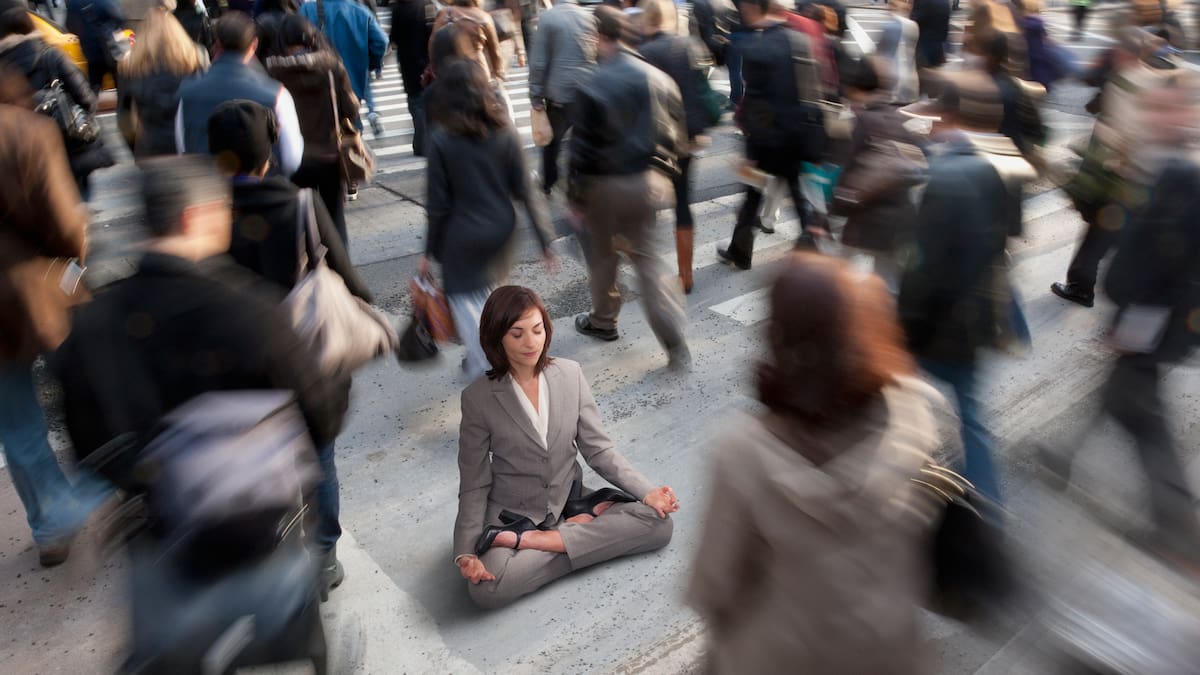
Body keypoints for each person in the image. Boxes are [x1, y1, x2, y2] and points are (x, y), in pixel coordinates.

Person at [689, 252, 942, 673]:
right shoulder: (916, 414)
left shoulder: (743, 454)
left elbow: (713, 586)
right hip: (888, 652)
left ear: (774, 337)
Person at [206, 99, 368, 595]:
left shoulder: (204, 217)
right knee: (321, 460)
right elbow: (351, 283)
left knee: (255, 471)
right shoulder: (299, 205)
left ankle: (272, 557)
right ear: (269, 148)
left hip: (238, 369)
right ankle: (323, 558)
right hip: (304, 360)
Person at [454, 285, 679, 609]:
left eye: (537, 329)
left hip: (566, 503)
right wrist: (465, 552)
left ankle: (546, 542)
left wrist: (647, 492)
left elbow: (599, 450)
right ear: (496, 337)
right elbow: (474, 483)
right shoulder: (477, 399)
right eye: (517, 334)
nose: (531, 342)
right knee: (486, 590)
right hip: (511, 516)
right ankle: (575, 542)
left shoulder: (570, 374)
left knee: (659, 525)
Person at [1041, 157, 1200, 569]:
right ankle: (1063, 453)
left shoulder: (1174, 193)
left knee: (1146, 420)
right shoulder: (1186, 191)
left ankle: (1178, 527)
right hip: (1161, 328)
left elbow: (1134, 273)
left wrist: (1131, 324)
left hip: (1146, 327)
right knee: (1117, 395)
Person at [0, 69, 110, 567]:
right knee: (89, 385)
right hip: (40, 287)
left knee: (16, 419)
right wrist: (75, 258)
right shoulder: (24, 130)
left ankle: (49, 526)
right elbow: (65, 223)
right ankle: (107, 480)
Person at [897, 79, 1025, 504]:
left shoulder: (945, 177)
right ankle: (987, 501)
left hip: (939, 326)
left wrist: (905, 328)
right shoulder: (988, 166)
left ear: (946, 118)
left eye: (934, 116)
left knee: (902, 403)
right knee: (970, 414)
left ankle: (911, 489)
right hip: (975, 317)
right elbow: (1000, 242)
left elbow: (924, 270)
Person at [569, 7, 690, 370]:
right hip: (651, 181)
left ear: (599, 37)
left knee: (603, 255)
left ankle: (604, 321)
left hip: (606, 184)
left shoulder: (592, 82)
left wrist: (575, 197)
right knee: (648, 259)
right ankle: (672, 335)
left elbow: (582, 150)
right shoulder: (660, 78)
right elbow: (677, 136)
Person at [419, 60, 554, 381]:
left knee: (470, 311)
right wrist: (545, 240)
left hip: (461, 239)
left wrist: (428, 252)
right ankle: (494, 358)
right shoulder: (505, 131)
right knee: (493, 302)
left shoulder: (441, 139)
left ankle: (494, 371)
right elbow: (526, 189)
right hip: (502, 234)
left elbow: (437, 206)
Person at [716, 0, 826, 272]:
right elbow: (810, 90)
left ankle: (740, 253)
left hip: (766, 143)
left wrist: (750, 152)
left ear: (753, 9)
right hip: (796, 134)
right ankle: (812, 247)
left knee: (752, 195)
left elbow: (755, 103)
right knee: (796, 192)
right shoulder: (799, 40)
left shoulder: (756, 47)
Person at [0, 4, 114, 199]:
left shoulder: (4, 72)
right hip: (72, 152)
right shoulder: (52, 56)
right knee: (77, 208)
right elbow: (87, 100)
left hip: (28, 166)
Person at [831, 57, 925, 291]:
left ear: (853, 87)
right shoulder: (899, 117)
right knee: (889, 285)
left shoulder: (862, 121)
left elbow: (847, 170)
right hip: (902, 218)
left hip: (867, 218)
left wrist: (830, 210)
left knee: (840, 279)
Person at [266, 14, 360, 243]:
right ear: (312, 37)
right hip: (329, 154)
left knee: (300, 222)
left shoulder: (273, 72)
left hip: (294, 158)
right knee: (335, 218)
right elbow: (350, 108)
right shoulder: (331, 67)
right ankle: (340, 270)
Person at [175, 12, 304, 177]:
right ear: (253, 45)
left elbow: (182, 148)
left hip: (206, 193)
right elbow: (292, 159)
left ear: (217, 44)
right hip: (261, 192)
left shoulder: (187, 93)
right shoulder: (277, 94)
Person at [638, 0, 709, 294]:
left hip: (656, 140)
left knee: (648, 202)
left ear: (648, 19)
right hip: (688, 138)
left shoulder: (645, 53)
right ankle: (686, 275)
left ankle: (650, 269)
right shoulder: (689, 46)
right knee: (683, 202)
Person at [117, 8, 208, 161]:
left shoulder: (130, 66)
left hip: (151, 148)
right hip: (189, 145)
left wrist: (135, 147)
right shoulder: (194, 59)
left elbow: (123, 117)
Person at [527, 0, 596, 196]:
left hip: (559, 95)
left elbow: (538, 62)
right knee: (583, 139)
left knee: (552, 142)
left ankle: (549, 182)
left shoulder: (548, 18)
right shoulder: (588, 16)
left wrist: (536, 95)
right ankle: (580, 180)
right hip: (586, 90)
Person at [298, 0, 388, 136]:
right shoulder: (359, 11)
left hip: (316, 85)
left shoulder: (306, 10)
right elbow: (381, 41)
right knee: (352, 129)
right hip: (352, 85)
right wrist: (370, 64)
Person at [389, 0, 434, 155]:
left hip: (408, 62)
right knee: (428, 101)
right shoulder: (426, 5)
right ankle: (427, 141)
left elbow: (394, 37)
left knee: (415, 103)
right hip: (427, 61)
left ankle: (422, 143)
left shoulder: (397, 8)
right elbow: (432, 32)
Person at [65, 0, 124, 92]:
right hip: (110, 50)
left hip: (90, 53)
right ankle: (122, 105)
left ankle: (93, 103)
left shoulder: (73, 2)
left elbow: (69, 25)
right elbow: (119, 18)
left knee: (93, 89)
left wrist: (84, 35)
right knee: (121, 87)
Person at [876, 0, 920, 104]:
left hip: (894, 82)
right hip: (911, 80)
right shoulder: (913, 25)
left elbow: (881, 54)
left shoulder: (890, 26)